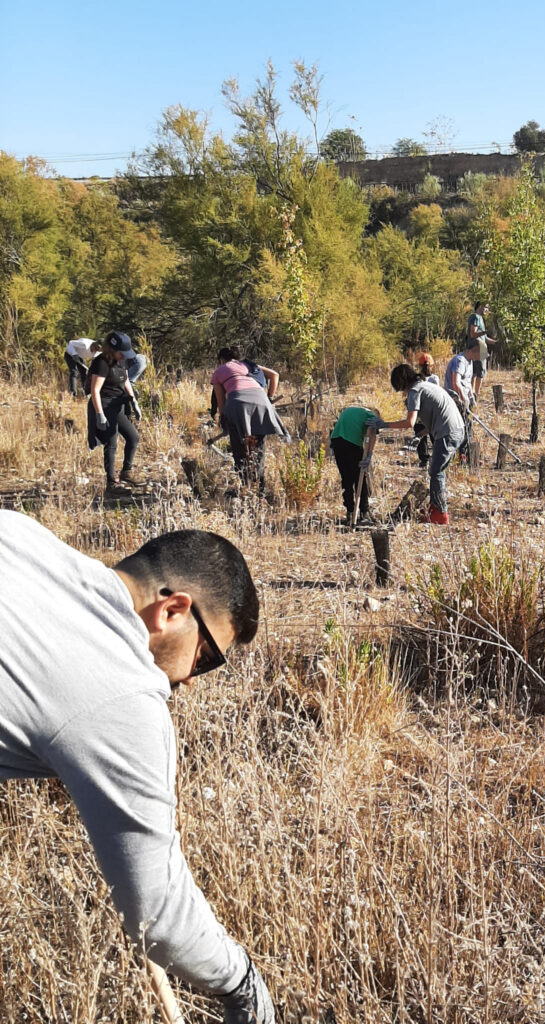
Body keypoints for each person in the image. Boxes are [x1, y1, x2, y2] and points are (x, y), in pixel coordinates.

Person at [0, 511, 276, 1023]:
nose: (194, 678)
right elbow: (157, 913)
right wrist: (241, 982)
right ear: (172, 610)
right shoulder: (126, 695)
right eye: (208, 657)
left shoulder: (23, 534)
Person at [375, 363, 465, 524]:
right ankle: (435, 507)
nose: (402, 393)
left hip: (448, 433)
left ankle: (440, 514)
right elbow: (435, 415)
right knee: (437, 470)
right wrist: (422, 433)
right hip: (457, 429)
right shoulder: (426, 385)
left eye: (400, 389)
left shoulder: (415, 391)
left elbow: (410, 422)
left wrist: (384, 425)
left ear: (402, 383)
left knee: (436, 472)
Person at [211, 347, 290, 493]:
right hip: (261, 401)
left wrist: (223, 421)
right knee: (258, 444)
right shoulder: (246, 365)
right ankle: (260, 487)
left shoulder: (219, 371)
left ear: (221, 360)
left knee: (239, 446)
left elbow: (221, 402)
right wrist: (270, 396)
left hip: (237, 402)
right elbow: (274, 375)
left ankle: (246, 486)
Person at [87, 332, 143, 490]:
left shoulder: (122, 361)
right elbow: (95, 390)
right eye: (121, 353)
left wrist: (133, 401)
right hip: (104, 405)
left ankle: (127, 472)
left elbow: (125, 380)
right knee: (111, 442)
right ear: (111, 350)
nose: (123, 356)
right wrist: (100, 415)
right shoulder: (101, 363)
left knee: (133, 437)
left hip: (118, 404)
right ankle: (111, 482)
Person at [330, 404, 378, 524]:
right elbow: (372, 434)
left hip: (336, 440)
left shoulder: (352, 410)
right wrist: (369, 455)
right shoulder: (371, 414)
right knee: (359, 477)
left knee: (346, 478)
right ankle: (364, 513)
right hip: (352, 442)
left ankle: (350, 511)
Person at [444, 342, 481, 456]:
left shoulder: (470, 362)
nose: (479, 358)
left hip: (465, 399)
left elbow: (467, 383)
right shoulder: (460, 361)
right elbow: (456, 383)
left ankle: (465, 453)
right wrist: (464, 399)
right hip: (456, 400)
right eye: (479, 354)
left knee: (468, 425)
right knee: (459, 427)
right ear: (474, 350)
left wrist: (471, 398)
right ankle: (457, 453)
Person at [414, 353, 440, 468]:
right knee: (435, 436)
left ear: (419, 366)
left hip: (420, 411)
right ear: (432, 366)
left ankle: (424, 460)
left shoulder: (416, 379)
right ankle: (438, 458)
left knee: (420, 435)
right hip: (432, 412)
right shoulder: (434, 379)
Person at [466, 301, 492, 399]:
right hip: (477, 348)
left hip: (481, 347)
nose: (487, 310)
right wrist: (485, 332)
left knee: (478, 373)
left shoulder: (480, 318)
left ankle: (474, 396)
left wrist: (495, 341)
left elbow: (484, 337)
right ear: (480, 306)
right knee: (477, 373)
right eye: (485, 307)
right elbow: (473, 334)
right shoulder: (475, 317)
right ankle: (474, 397)